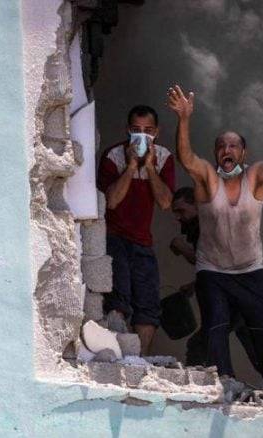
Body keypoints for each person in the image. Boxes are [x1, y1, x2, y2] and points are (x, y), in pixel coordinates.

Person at [166, 84, 263, 400]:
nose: (226, 150)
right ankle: (223, 381)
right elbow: (186, 158)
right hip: (213, 271)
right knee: (215, 325)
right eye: (221, 146)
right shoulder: (207, 178)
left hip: (251, 270)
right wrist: (184, 118)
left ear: (243, 153)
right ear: (216, 153)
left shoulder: (254, 177)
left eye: (233, 146)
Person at [97, 105, 175, 355]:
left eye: (148, 131)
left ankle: (139, 360)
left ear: (156, 132)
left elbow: (165, 202)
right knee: (117, 300)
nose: (142, 136)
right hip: (114, 237)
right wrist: (131, 166)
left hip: (143, 241)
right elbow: (111, 201)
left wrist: (150, 167)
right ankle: (119, 356)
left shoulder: (163, 157)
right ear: (127, 131)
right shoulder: (113, 156)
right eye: (136, 130)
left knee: (148, 305)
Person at [171, 188, 261, 372]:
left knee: (200, 344)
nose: (178, 217)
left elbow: (210, 260)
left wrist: (182, 247)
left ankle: (204, 384)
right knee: (261, 355)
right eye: (175, 212)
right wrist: (194, 285)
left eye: (181, 211)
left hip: (237, 299)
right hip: (243, 296)